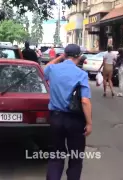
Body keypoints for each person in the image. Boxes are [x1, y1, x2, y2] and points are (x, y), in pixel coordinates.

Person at [44, 44, 92, 180]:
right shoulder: (81, 74)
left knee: (56, 156)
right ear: (79, 56)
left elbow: (45, 68)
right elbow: (85, 101)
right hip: (75, 120)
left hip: (56, 118)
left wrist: (60, 57)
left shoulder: (53, 69)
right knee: (76, 157)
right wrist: (89, 123)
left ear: (65, 55)